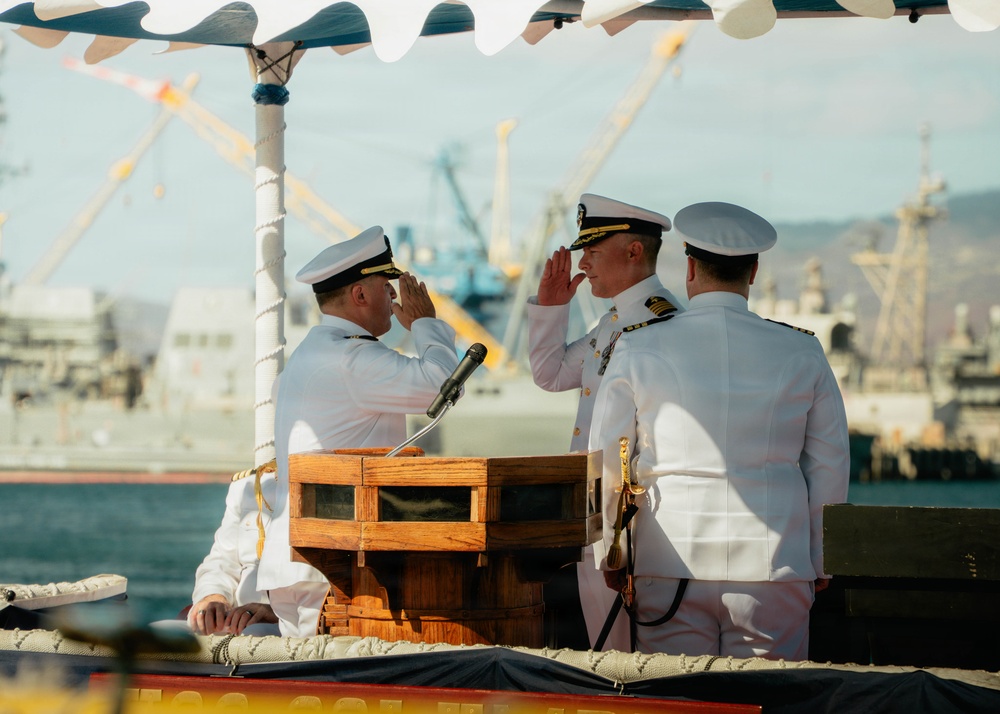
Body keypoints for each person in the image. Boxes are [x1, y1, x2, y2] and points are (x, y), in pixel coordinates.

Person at [589, 201, 850, 660]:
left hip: (669, 566)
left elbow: (607, 457)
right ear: (752, 273)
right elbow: (829, 462)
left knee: (678, 706)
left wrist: (611, 552)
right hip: (774, 567)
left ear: (690, 268)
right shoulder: (802, 351)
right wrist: (822, 556)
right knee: (773, 701)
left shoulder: (638, 345)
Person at [257, 226, 460, 637]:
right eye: (386, 285)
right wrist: (425, 324)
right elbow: (440, 382)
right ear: (360, 295)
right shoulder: (351, 358)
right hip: (329, 562)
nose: (394, 296)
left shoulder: (314, 352)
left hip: (305, 554)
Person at [526, 193, 684, 651]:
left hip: (634, 522)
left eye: (593, 251)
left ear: (634, 251)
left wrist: (623, 534)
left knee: (637, 658)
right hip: (596, 514)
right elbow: (551, 373)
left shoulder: (662, 323)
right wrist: (552, 307)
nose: (584, 263)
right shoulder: (613, 323)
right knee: (608, 651)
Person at [187, 466, 280, 636]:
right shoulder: (247, 486)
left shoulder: (332, 484)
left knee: (256, 632)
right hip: (234, 623)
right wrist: (214, 596)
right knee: (157, 634)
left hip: (291, 628)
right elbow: (222, 561)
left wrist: (279, 614)